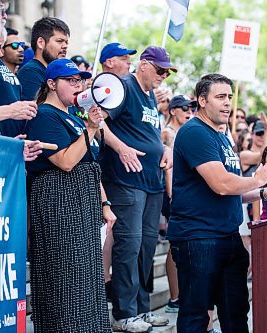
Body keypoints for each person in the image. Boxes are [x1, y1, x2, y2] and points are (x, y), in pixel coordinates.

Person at [167, 73, 267, 333]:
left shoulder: (223, 136)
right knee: (196, 316)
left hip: (228, 236)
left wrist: (262, 193)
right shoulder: (195, 133)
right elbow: (222, 184)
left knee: (236, 313)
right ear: (202, 100)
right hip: (198, 238)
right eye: (220, 97)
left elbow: (232, 189)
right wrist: (258, 180)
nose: (227, 103)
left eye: (229, 97)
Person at [25, 58, 114, 332]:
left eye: (80, 81)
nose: (78, 85)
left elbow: (90, 165)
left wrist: (105, 203)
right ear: (52, 83)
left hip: (83, 201)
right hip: (59, 200)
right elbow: (65, 161)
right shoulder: (45, 115)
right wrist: (90, 128)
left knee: (86, 278)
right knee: (66, 277)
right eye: (70, 80)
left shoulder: (74, 116)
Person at [100, 46, 175, 333]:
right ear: (143, 65)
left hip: (152, 181)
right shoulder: (124, 86)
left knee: (145, 248)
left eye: (167, 72)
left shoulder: (150, 97)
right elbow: (95, 121)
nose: (163, 76)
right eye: (159, 70)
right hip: (127, 180)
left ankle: (141, 309)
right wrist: (121, 148)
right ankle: (123, 313)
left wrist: (165, 147)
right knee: (128, 246)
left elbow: (150, 133)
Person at [98, 41, 138, 302]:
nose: (128, 63)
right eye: (124, 58)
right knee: (107, 229)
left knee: (109, 229)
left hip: (105, 172)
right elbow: (97, 119)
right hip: (104, 170)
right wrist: (121, 146)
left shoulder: (122, 86)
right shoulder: (105, 85)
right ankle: (102, 282)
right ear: (109, 61)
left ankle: (105, 281)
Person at [161, 94, 196, 313]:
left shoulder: (183, 131)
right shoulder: (168, 132)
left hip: (182, 194)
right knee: (175, 246)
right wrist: (174, 194)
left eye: (191, 108)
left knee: (181, 246)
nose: (189, 112)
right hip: (173, 195)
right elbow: (168, 167)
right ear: (173, 110)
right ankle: (175, 298)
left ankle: (180, 295)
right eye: (184, 108)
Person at [18, 17, 69, 101]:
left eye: (66, 42)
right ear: (41, 43)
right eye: (60, 41)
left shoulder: (54, 73)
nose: (65, 46)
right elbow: (36, 111)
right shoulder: (30, 72)